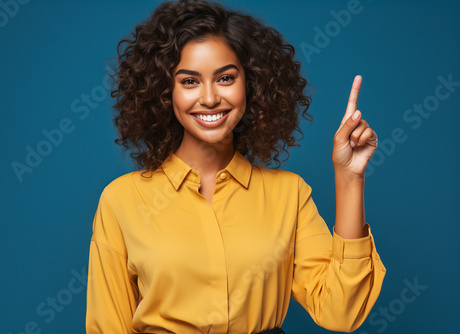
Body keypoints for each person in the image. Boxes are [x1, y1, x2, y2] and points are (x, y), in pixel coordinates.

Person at [85, 0, 386, 333]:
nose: (210, 98)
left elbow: (340, 312)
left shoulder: (289, 193)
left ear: (251, 83)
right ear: (164, 91)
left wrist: (349, 177)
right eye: (189, 81)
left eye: (225, 78)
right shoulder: (121, 200)